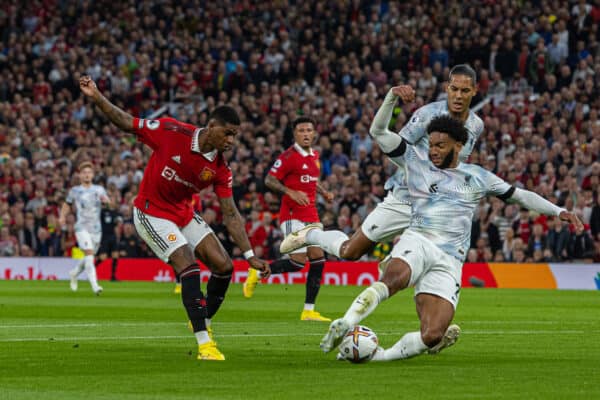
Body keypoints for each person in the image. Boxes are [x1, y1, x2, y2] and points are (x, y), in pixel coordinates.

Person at [291, 113, 583, 362]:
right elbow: (379, 131)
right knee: (394, 277)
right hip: (418, 239)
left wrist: (559, 211)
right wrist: (392, 99)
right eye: (431, 144)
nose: (433, 150)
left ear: (459, 145)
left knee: (432, 335)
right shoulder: (415, 163)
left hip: (450, 259)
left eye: (440, 145)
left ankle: (379, 356)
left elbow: (521, 196)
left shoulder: (478, 176)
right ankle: (347, 321)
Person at [79, 75, 270, 361]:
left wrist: (250, 253)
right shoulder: (171, 130)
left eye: (235, 136)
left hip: (182, 213)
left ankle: (202, 319)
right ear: (212, 126)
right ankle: (205, 345)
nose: (231, 141)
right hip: (150, 212)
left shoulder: (220, 168)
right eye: (227, 133)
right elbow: (126, 122)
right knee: (189, 268)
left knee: (224, 266)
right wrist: (96, 96)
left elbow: (230, 213)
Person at [287, 65, 484, 261]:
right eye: (454, 89)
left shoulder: (476, 125)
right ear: (446, 88)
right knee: (350, 252)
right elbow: (401, 150)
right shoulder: (428, 115)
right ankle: (310, 235)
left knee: (437, 260)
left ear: (475, 91)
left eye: (465, 91)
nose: (458, 96)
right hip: (404, 200)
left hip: (435, 207)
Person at [242, 116, 334, 321]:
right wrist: (290, 192)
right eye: (301, 130)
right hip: (293, 214)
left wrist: (324, 191)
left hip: (311, 213)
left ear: (314, 133)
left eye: (309, 130)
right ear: (295, 134)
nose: (306, 134)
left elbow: (311, 180)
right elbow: (269, 179)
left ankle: (308, 311)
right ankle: (257, 273)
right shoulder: (287, 157)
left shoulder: (314, 156)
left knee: (318, 259)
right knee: (299, 262)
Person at [59, 161, 110, 295]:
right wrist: (62, 217)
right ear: (80, 175)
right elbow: (67, 204)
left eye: (89, 172)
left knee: (90, 256)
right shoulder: (75, 190)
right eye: (84, 173)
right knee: (89, 254)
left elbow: (109, 204)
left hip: (96, 229)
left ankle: (74, 273)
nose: (87, 175)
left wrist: (107, 202)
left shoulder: (99, 189)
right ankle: (95, 286)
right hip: (81, 227)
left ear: (93, 175)